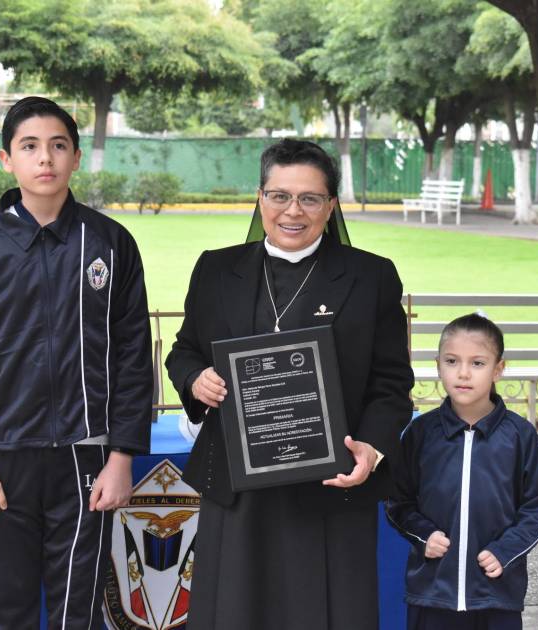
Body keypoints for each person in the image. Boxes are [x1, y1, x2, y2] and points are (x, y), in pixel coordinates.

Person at [165, 138, 414, 630]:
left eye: (309, 198)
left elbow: (391, 383)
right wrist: (195, 380)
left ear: (331, 205)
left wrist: (370, 448)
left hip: (331, 486)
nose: (292, 211)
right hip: (238, 488)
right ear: (260, 198)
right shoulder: (216, 268)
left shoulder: (371, 276)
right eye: (279, 196)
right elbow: (184, 352)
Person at [0, 96, 152, 629]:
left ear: (76, 156)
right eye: (29, 146)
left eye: (58, 145)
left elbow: (132, 355)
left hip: (85, 459)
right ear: (6, 159)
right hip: (2, 458)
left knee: (76, 611)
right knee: (6, 611)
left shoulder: (110, 243)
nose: (45, 158)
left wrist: (122, 455)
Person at [386, 313, 538, 630]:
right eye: (452, 361)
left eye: (477, 363)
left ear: (498, 370)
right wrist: (424, 535)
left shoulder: (519, 436)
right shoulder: (420, 434)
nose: (463, 373)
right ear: (438, 365)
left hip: (496, 594)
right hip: (432, 594)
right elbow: (398, 501)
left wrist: (505, 551)